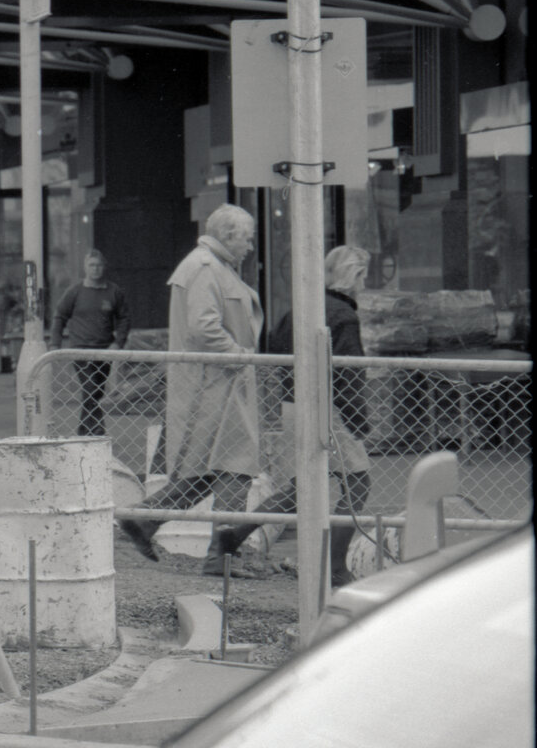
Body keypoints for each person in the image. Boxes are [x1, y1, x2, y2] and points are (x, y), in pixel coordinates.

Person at [118, 203, 264, 577]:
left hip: (218, 384)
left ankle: (147, 520)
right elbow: (204, 327)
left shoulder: (209, 267)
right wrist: (240, 355)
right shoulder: (205, 268)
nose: (251, 246)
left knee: (209, 471)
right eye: (247, 238)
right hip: (217, 385)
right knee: (234, 469)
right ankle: (221, 556)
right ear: (229, 236)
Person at [218, 245, 373, 588]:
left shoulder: (302, 310)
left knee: (302, 486)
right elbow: (349, 376)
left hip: (293, 403)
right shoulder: (344, 317)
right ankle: (334, 565)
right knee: (357, 480)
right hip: (328, 406)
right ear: (355, 275)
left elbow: (273, 348)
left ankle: (235, 534)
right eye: (364, 275)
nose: (366, 282)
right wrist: (359, 421)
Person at [50, 249, 132, 437]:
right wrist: (55, 343)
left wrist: (118, 343)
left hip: (105, 350)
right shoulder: (75, 292)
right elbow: (59, 316)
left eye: (99, 265)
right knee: (90, 388)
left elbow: (124, 319)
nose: (95, 269)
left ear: (104, 267)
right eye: (91, 265)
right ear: (85, 267)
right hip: (81, 350)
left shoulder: (114, 292)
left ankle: (87, 431)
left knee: (96, 392)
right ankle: (94, 431)